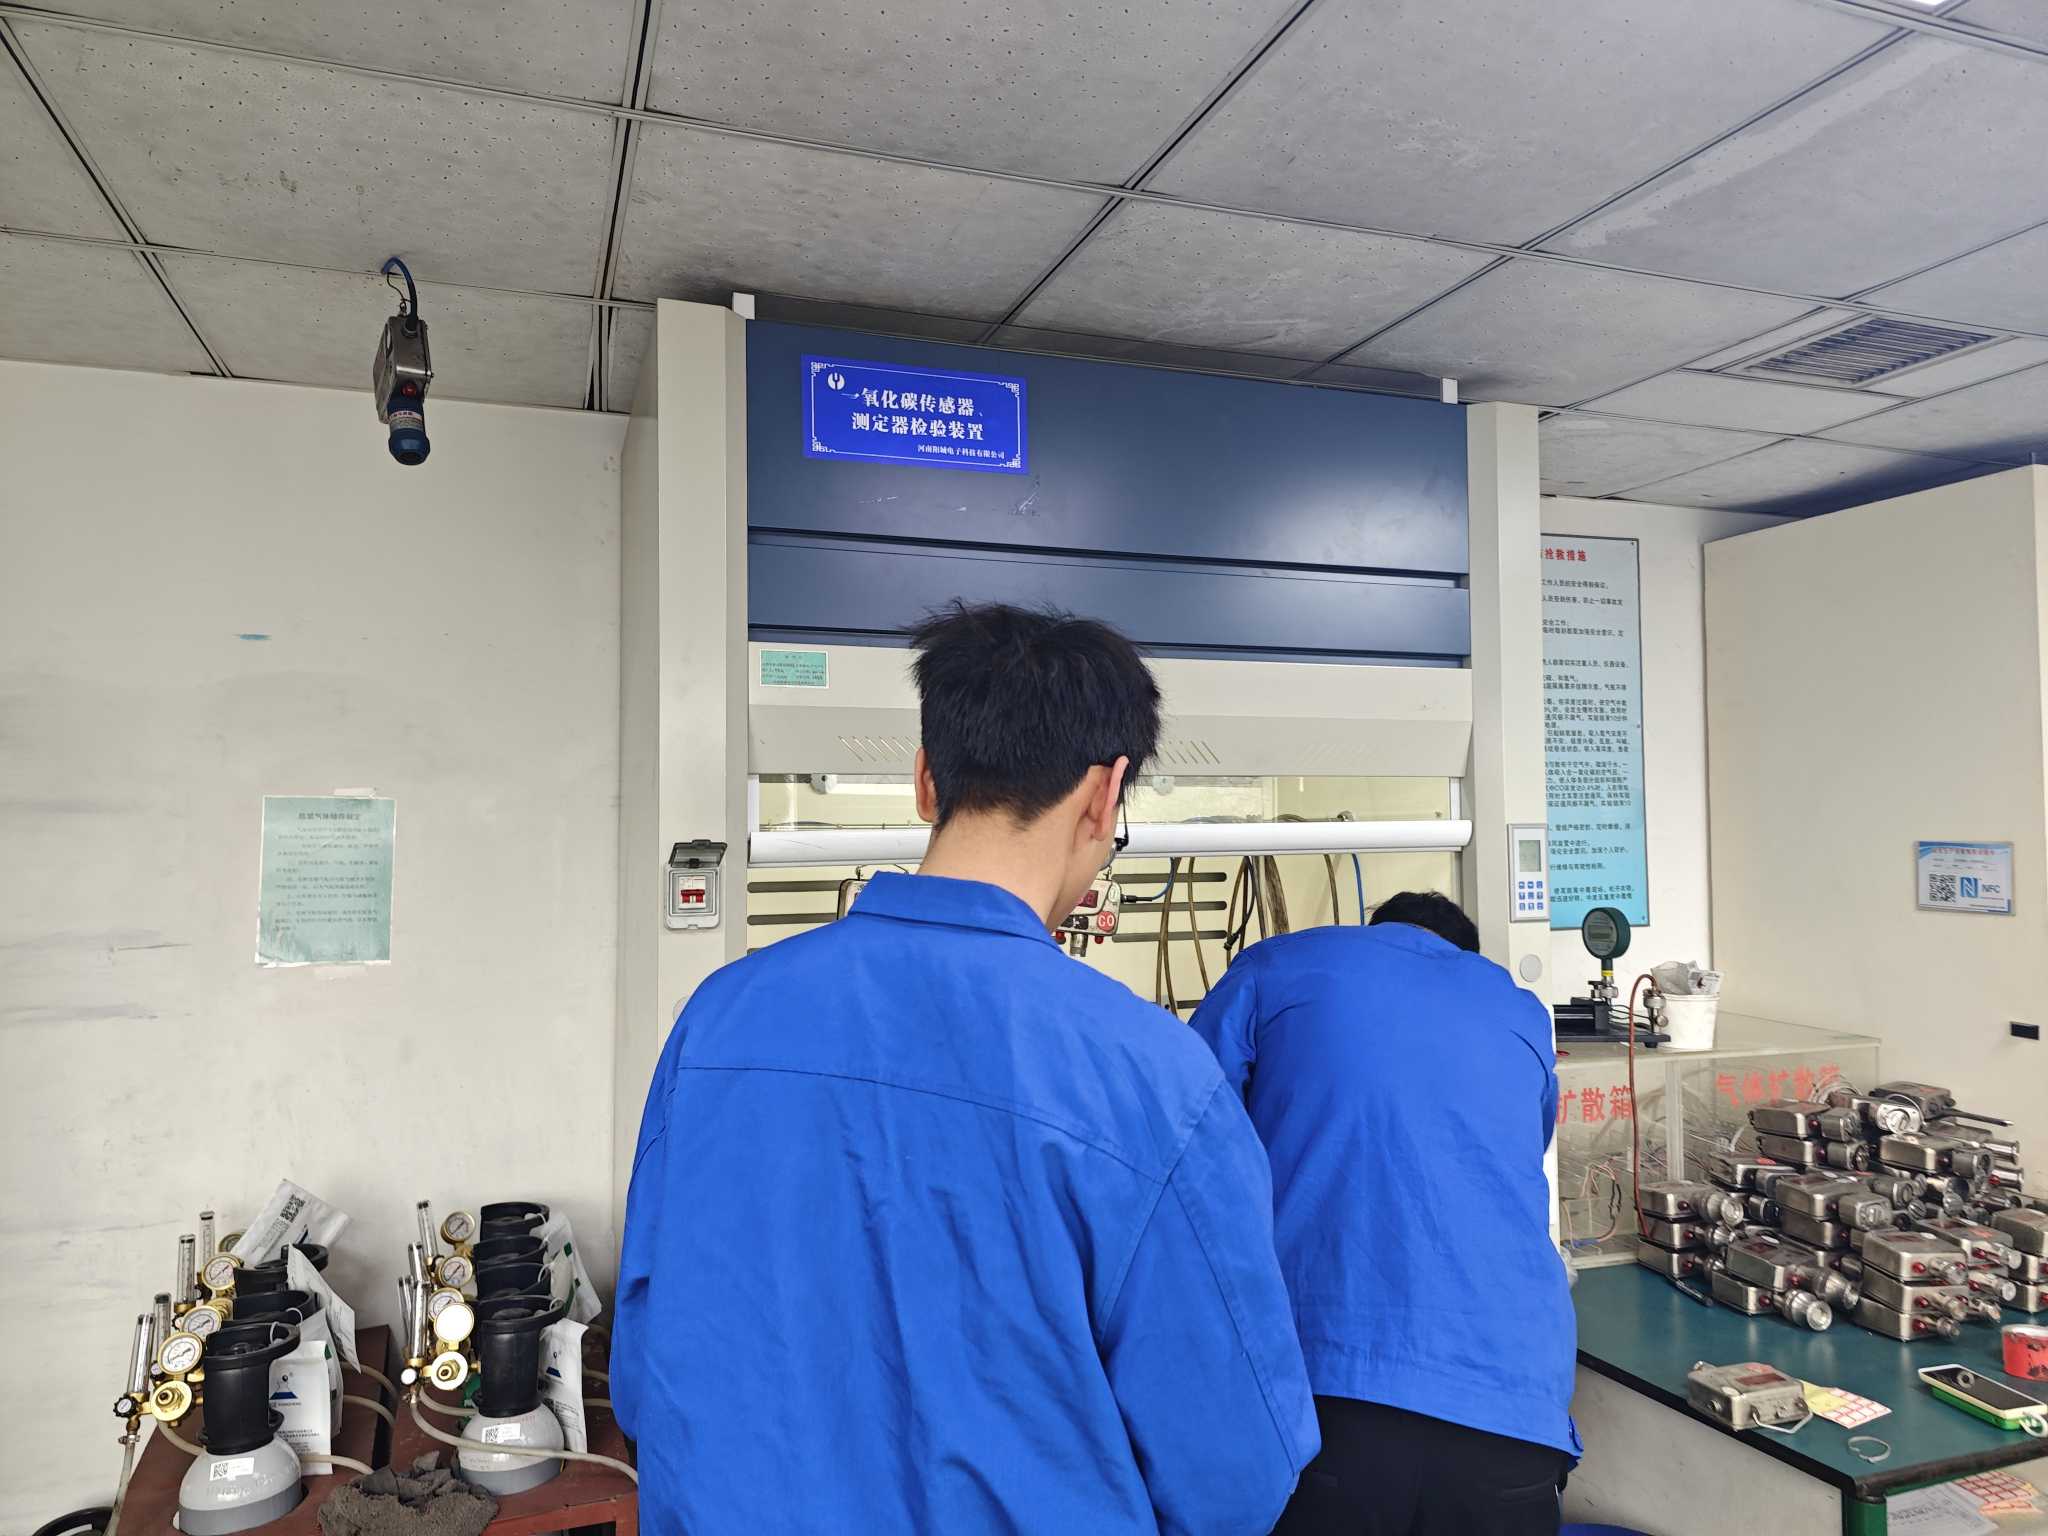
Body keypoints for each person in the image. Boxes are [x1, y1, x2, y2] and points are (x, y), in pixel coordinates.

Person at [613, 601, 1316, 1535]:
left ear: (924, 779)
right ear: (1105, 796)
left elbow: (642, 1371)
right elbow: (1234, 1473)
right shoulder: (1154, 1081)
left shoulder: (718, 1022)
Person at [1189, 890, 1579, 1536]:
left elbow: (1185, 1141)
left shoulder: (1278, 967)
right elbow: (1526, 1147)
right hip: (1517, 1412)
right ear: (1463, 955)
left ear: (1377, 931)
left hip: (1335, 1395)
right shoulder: (1519, 1011)